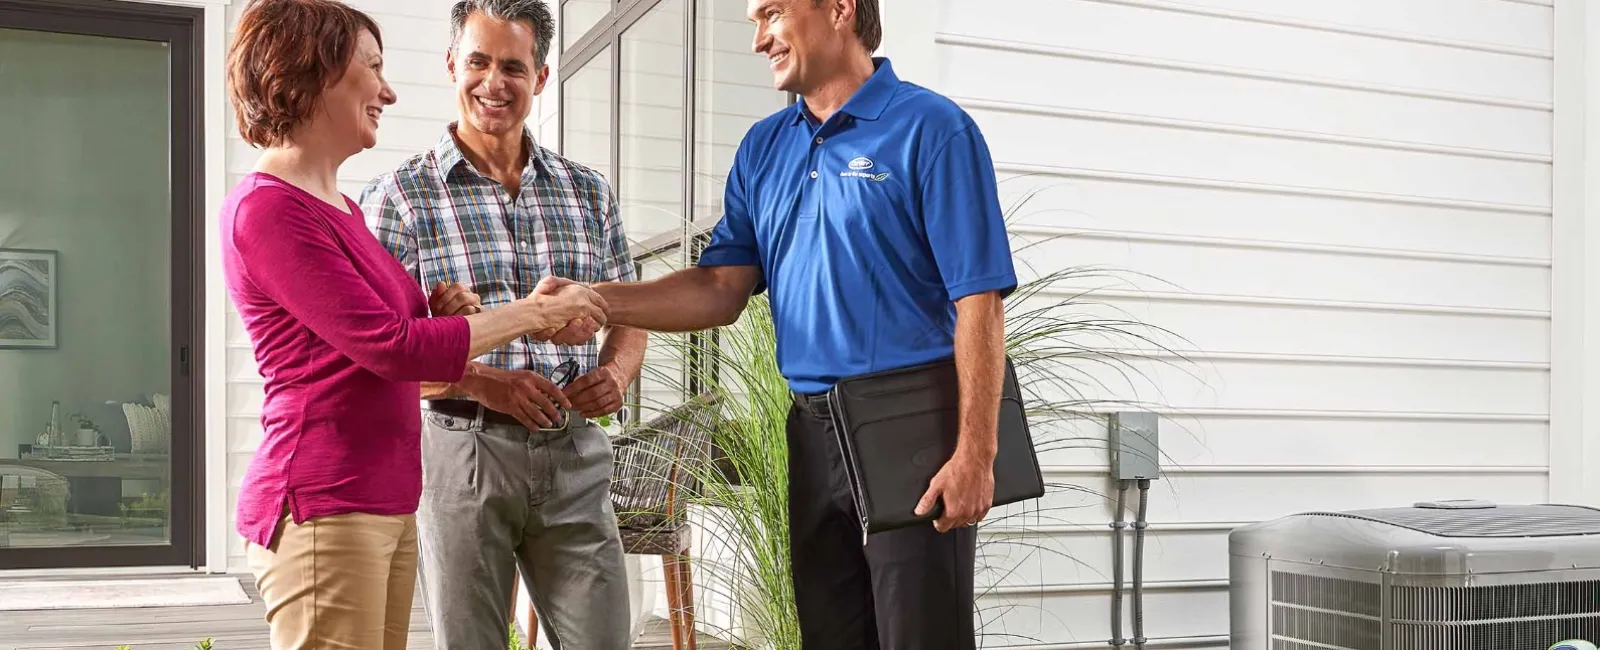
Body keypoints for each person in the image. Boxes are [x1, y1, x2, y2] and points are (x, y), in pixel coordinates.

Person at [584, 0, 1016, 648]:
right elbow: (718, 288)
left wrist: (976, 454)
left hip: (912, 428)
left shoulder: (932, 129)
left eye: (772, 13)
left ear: (839, 9)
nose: (758, 38)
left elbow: (979, 301)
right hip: (810, 432)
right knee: (831, 636)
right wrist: (594, 301)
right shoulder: (764, 148)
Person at [220, 1, 608, 648]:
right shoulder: (268, 212)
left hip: (382, 498)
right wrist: (535, 313)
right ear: (314, 73)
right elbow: (392, 349)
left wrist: (442, 312)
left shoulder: (340, 207)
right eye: (373, 68)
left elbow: (389, 329)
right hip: (325, 500)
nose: (389, 90)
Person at [358, 1, 644, 647]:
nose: (494, 82)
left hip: (573, 449)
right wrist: (484, 382)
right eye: (479, 61)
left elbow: (630, 310)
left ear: (540, 77)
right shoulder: (398, 198)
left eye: (513, 66)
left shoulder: (587, 191)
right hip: (462, 451)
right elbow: (382, 358)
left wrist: (617, 372)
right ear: (452, 65)